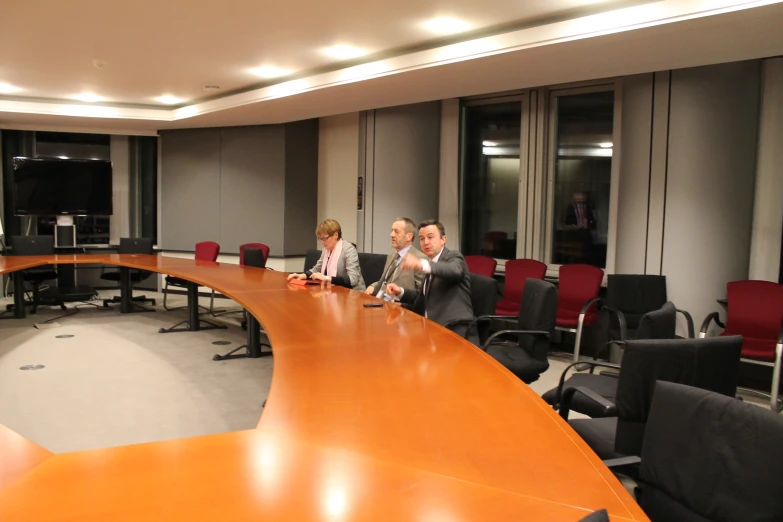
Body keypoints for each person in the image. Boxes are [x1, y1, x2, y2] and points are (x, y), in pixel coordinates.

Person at [386, 220, 474, 340]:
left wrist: (421, 264)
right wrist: (400, 292)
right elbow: (424, 296)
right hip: (429, 328)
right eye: (422, 238)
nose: (426, 242)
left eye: (430, 237)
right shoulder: (431, 263)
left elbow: (455, 270)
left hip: (454, 329)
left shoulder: (453, 257)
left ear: (443, 240)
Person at [287, 219, 366, 291]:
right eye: (320, 239)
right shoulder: (326, 250)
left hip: (353, 293)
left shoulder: (348, 249)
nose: (322, 242)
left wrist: (327, 278)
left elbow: (353, 279)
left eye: (325, 238)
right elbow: (317, 269)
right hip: (335, 290)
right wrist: (302, 275)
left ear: (336, 235)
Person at [365, 217, 427, 301]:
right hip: (379, 299)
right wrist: (373, 286)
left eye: (396, 232)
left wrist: (404, 304)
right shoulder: (392, 255)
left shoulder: (419, 259)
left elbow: (421, 294)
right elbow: (385, 280)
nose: (391, 235)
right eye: (392, 230)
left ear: (409, 237)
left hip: (397, 305)